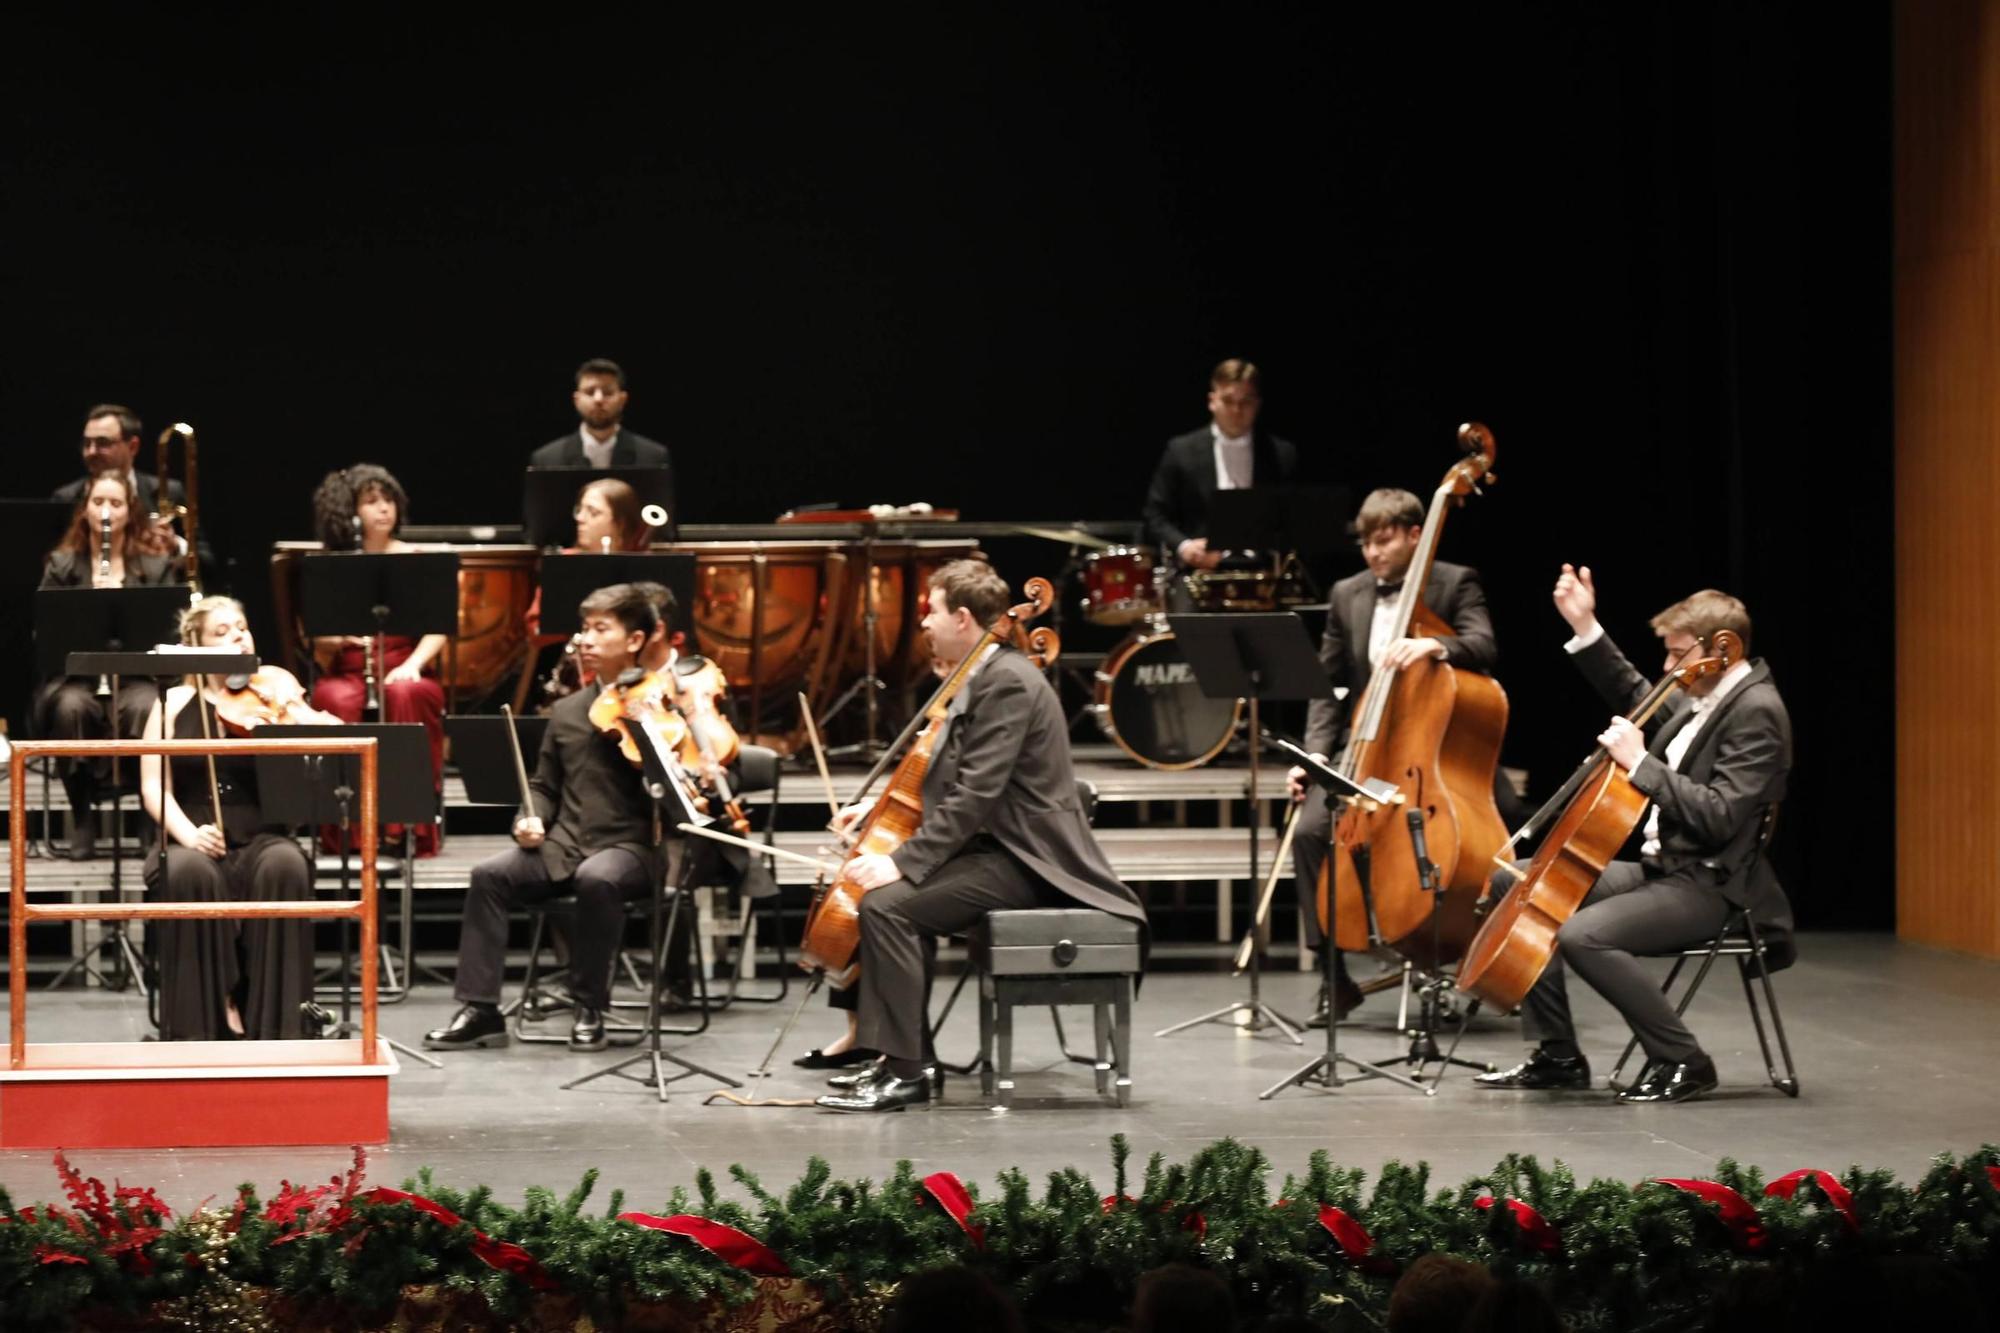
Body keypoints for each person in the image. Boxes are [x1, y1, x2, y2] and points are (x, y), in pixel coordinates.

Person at [815, 559, 1147, 1113]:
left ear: (963, 618)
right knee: (888, 904)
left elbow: (976, 794)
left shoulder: (1010, 681)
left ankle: (908, 1071)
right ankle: (904, 1057)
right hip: (998, 850)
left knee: (889, 906)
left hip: (1032, 862)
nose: (923, 623)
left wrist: (903, 861)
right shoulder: (984, 676)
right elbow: (953, 779)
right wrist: (879, 808)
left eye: (932, 611)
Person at [1474, 568, 1791, 1104]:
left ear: (1725, 648)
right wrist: (1585, 625)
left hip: (1710, 884)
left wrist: (1641, 763)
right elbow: (1638, 692)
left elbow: (1718, 817)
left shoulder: (1757, 712)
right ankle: (1558, 1056)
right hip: (1663, 870)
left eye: (1676, 655)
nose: (1668, 668)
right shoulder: (1705, 693)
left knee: (1582, 934)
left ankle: (1684, 1061)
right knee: (1520, 883)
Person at [424, 583, 675, 1053]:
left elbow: (685, 783)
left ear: (635, 640)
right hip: (567, 844)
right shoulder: (568, 710)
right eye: (585, 629)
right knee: (489, 875)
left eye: (602, 629)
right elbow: (543, 785)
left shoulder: (662, 704)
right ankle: (480, 1009)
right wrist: (528, 818)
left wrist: (655, 744)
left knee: (597, 879)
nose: (588, 640)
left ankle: (589, 1006)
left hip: (634, 848)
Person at [1287, 488, 1498, 1026]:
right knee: (1313, 829)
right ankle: (1334, 979)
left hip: (1438, 753)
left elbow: (1484, 644)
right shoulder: (1346, 594)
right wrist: (1315, 757)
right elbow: (1327, 685)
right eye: (1365, 544)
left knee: (1495, 832)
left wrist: (1437, 646)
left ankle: (1461, 964)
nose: (1373, 554)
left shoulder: (1454, 581)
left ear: (1412, 534)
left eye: (1383, 542)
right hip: (1368, 747)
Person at [136, 597, 330, 1041]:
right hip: (193, 830)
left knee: (286, 865)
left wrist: (296, 721)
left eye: (241, 628)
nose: (237, 636)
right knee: (186, 871)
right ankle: (202, 1020)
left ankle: (279, 1024)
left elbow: (312, 769)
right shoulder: (171, 704)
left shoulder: (272, 695)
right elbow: (153, 787)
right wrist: (188, 834)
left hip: (262, 833)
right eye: (221, 632)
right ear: (196, 646)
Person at [34, 473, 187, 858]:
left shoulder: (154, 566)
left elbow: (170, 632)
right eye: (97, 502)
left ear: (131, 511)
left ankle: (147, 816)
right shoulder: (62, 565)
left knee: (147, 707)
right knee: (70, 708)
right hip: (78, 679)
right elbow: (47, 633)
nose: (105, 511)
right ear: (84, 509)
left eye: (115, 503)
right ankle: (82, 817)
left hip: (136, 675)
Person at [307, 464, 449, 855]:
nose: (384, 509)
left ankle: (404, 825)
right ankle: (350, 830)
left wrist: (414, 664)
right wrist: (338, 638)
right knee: (335, 701)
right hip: (350, 669)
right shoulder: (334, 562)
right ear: (350, 511)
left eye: (388, 500)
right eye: (371, 502)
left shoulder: (417, 560)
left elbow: (439, 627)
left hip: (406, 662)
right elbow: (317, 638)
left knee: (408, 694)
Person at [1142, 358, 1298, 573]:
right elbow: (1154, 516)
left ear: (1258, 404)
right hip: (1199, 572)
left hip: (1263, 572)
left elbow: (1293, 520)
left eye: (1246, 401)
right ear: (1211, 401)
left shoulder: (1281, 454)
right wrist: (1185, 547)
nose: (1236, 410)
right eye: (1228, 401)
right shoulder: (1181, 450)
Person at [528, 358, 674, 516]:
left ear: (623, 399)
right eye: (590, 392)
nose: (598, 399)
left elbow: (659, 525)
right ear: (576, 400)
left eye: (608, 392)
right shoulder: (546, 459)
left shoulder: (653, 456)